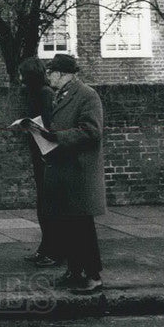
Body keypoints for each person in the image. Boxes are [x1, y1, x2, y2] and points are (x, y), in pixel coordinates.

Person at [41, 53, 107, 293]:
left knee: (82, 225)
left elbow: (92, 131)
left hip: (79, 170)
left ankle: (93, 275)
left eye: (50, 72)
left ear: (61, 74)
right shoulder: (62, 94)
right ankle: (74, 270)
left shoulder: (87, 95)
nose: (48, 77)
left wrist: (57, 137)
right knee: (68, 223)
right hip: (64, 168)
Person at [17, 57, 62, 268]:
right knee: (42, 203)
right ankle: (45, 248)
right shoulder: (32, 93)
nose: (20, 78)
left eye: (23, 74)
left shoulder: (45, 93)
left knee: (49, 203)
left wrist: (34, 126)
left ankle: (53, 250)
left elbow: (50, 123)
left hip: (47, 152)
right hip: (38, 150)